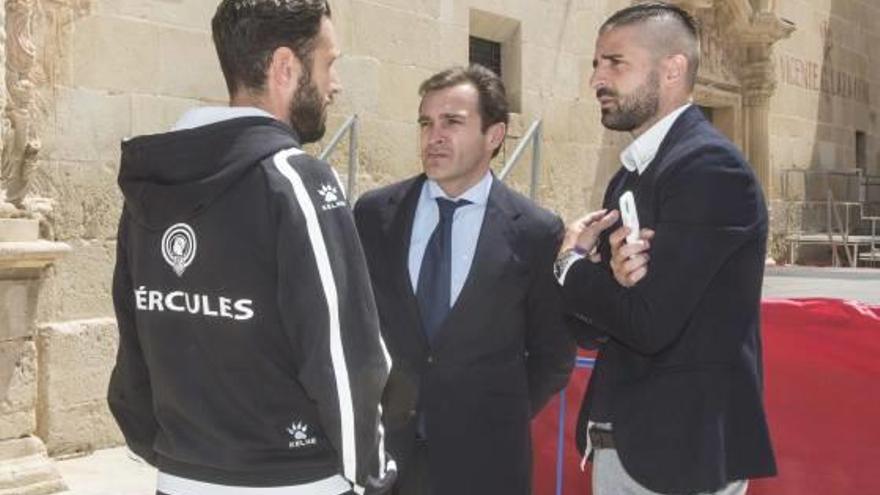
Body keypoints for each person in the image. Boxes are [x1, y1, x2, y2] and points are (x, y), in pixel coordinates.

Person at [107, 1, 395, 494]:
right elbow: (347, 356)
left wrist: (173, 451)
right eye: (329, 63)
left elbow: (133, 345)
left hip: (180, 476)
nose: (335, 85)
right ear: (285, 68)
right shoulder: (296, 180)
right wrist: (372, 474)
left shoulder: (148, 189)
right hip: (296, 480)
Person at [552, 3, 776, 494]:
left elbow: (648, 323)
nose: (597, 79)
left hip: (677, 458)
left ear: (672, 69)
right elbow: (590, 329)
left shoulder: (710, 170)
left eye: (615, 63)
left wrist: (572, 266)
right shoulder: (631, 174)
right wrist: (602, 282)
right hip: (628, 446)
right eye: (596, 64)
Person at [353, 64, 575, 495]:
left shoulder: (536, 231)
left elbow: (553, 356)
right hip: (385, 463)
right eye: (425, 123)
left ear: (494, 136)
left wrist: (493, 416)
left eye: (452, 122)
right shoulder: (374, 214)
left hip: (487, 467)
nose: (433, 136)